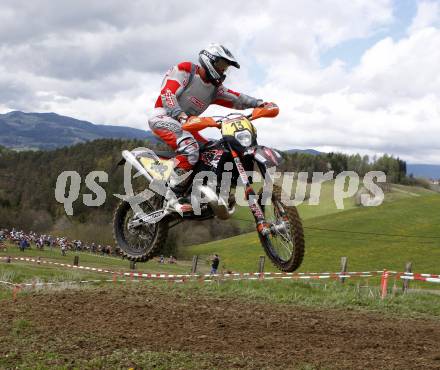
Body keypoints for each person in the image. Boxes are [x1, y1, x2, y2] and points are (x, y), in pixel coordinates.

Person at [148, 43, 268, 213]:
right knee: (191, 148)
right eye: (221, 65)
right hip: (163, 117)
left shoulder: (214, 89)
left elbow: (236, 98)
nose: (223, 71)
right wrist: (180, 114)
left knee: (213, 150)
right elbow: (168, 93)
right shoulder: (186, 71)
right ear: (209, 60)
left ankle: (200, 191)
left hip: (189, 125)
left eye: (225, 68)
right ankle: (171, 196)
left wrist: (259, 103)